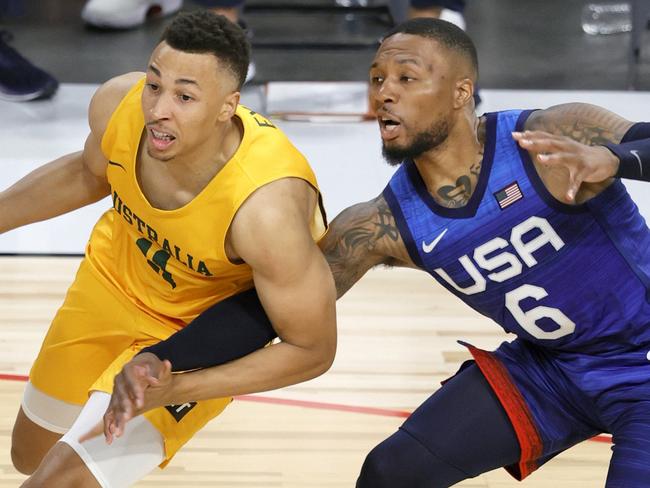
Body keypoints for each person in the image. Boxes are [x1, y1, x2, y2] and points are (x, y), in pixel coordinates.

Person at [101, 17, 650, 487]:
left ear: (462, 91)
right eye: (378, 79)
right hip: (550, 371)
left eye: (407, 78)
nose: (385, 92)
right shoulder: (382, 224)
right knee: (391, 473)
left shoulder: (549, 137)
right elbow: (274, 308)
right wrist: (163, 357)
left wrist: (616, 161)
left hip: (643, 364)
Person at [4, 10, 336, 487]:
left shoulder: (266, 209)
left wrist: (181, 386)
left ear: (228, 106)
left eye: (184, 96)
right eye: (155, 85)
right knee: (30, 455)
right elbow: (86, 173)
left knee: (61, 481)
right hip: (108, 288)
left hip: (189, 336)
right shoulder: (120, 103)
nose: (159, 108)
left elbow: (312, 349)